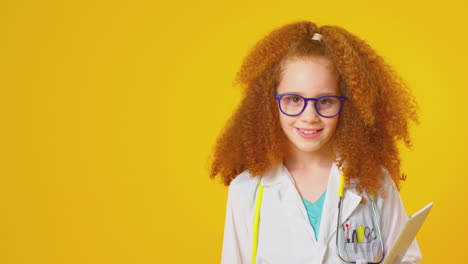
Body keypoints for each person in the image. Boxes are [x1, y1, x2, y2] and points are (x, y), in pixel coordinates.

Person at [209, 20, 422, 264]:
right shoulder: (246, 191)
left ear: (348, 106)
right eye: (293, 99)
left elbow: (407, 259)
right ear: (270, 104)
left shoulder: (374, 183)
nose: (309, 116)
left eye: (325, 101)